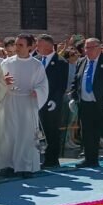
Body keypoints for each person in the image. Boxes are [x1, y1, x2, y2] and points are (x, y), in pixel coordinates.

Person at [0, 34, 49, 177]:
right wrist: (3, 82)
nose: (17, 48)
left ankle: (26, 166)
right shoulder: (7, 63)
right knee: (8, 134)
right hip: (9, 101)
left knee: (26, 136)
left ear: (30, 47)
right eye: (16, 44)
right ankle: (7, 164)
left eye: (21, 45)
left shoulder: (36, 65)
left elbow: (43, 84)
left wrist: (37, 92)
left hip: (27, 103)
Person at [70, 38, 103, 169]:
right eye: (86, 48)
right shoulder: (81, 62)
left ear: (99, 48)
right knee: (88, 133)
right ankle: (90, 159)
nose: (87, 51)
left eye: (91, 47)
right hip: (86, 104)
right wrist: (73, 97)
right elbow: (76, 82)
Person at [35, 34, 68, 169]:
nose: (37, 47)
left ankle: (52, 159)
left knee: (51, 131)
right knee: (37, 131)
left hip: (51, 103)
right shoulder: (36, 60)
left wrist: (54, 99)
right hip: (36, 101)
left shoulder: (60, 62)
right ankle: (38, 157)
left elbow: (61, 84)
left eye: (39, 44)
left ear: (48, 46)